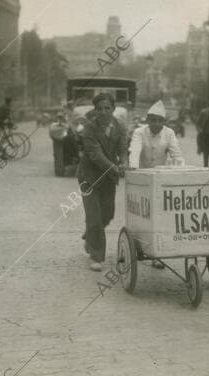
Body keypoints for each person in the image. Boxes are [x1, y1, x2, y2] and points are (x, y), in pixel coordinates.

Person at [128, 100, 185, 268]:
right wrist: (133, 170)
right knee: (145, 215)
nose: (156, 124)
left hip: (161, 180)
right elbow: (134, 150)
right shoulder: (139, 132)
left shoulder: (169, 133)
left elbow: (177, 154)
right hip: (142, 179)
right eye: (153, 120)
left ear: (164, 122)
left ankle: (157, 254)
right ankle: (143, 244)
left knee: (161, 217)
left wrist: (182, 171)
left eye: (160, 120)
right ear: (148, 120)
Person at [77, 92, 128, 272]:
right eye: (100, 109)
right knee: (94, 217)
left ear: (113, 109)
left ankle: (90, 236)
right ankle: (97, 256)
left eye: (107, 108)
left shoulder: (120, 127)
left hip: (108, 178)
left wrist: (124, 162)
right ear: (95, 110)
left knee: (108, 214)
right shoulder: (89, 129)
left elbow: (123, 148)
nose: (104, 112)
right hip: (89, 177)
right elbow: (96, 155)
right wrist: (115, 167)